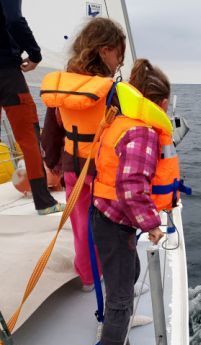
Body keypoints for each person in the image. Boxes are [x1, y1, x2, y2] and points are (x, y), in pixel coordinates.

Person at [91, 59, 180, 345]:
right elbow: (130, 187)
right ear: (163, 103)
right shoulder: (142, 133)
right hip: (115, 221)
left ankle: (126, 315)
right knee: (119, 293)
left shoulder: (119, 120)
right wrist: (152, 225)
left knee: (130, 270)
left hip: (109, 215)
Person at [40, 18, 125, 290]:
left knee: (81, 224)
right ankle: (117, 278)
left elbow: (51, 129)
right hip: (103, 171)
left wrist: (52, 162)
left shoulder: (63, 87)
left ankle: (88, 278)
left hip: (72, 168)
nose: (120, 61)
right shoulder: (111, 90)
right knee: (115, 226)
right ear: (104, 50)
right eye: (118, 54)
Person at [0, 0, 64, 214]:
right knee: (28, 137)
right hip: (8, 74)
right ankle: (44, 202)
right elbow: (14, 20)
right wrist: (35, 54)